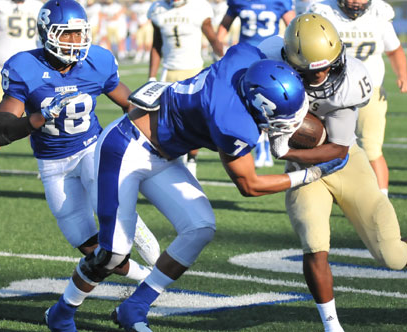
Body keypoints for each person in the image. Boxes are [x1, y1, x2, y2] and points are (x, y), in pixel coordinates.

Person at [42, 24, 350, 330]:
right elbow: (249, 185)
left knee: (199, 227)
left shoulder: (244, 58)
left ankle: (134, 306)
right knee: (113, 254)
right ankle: (62, 311)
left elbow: (277, 46)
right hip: (125, 147)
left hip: (162, 151)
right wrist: (311, 173)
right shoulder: (231, 121)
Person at [0, 0, 160, 285]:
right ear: (46, 33)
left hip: (91, 151)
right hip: (53, 165)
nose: (76, 41)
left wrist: (156, 140)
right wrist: (37, 118)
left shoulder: (97, 60)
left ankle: (156, 261)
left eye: (80, 33)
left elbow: (130, 104)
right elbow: (0, 131)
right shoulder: (24, 66)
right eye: (66, 34)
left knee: (109, 210)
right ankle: (144, 278)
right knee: (88, 246)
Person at [258, 13, 407, 332]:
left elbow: (338, 148)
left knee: (393, 256)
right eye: (312, 71)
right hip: (303, 172)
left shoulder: (352, 79)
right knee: (314, 243)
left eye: (327, 66)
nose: (322, 76)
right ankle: (332, 326)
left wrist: (285, 149)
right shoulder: (267, 57)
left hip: (345, 161)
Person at [308, 0, 407, 196]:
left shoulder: (379, 16)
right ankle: (327, 193)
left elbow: (394, 49)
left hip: (369, 91)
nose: (356, 2)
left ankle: (382, 198)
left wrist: (402, 74)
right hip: (332, 92)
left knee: (371, 148)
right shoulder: (324, 13)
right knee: (325, 144)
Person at [147, 0, 224, 178]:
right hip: (169, 72)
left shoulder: (198, 8)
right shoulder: (158, 9)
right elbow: (156, 45)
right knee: (164, 122)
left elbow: (213, 39)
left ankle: (191, 161)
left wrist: (223, 63)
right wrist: (151, 77)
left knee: (194, 120)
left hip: (193, 71)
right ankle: (173, 161)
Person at [217, 0, 296, 168]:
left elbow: (293, 26)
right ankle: (260, 147)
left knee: (270, 104)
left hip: (270, 58)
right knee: (250, 105)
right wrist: (218, 49)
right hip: (245, 59)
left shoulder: (280, 2)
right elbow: (224, 26)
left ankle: (267, 146)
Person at [0, 0, 43, 180]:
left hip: (31, 71)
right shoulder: (1, 4)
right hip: (2, 70)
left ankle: (43, 162)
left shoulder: (37, 6)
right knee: (1, 118)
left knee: (37, 117)